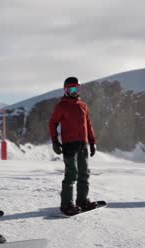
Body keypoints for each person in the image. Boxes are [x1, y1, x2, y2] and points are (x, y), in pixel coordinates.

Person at [48, 76, 98, 216]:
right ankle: (67, 204)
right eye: (71, 89)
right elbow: (53, 123)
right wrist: (55, 141)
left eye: (76, 88)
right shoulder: (61, 106)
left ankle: (82, 201)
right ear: (65, 90)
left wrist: (92, 142)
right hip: (69, 145)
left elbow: (88, 124)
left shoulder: (83, 105)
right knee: (71, 174)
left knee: (84, 174)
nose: (74, 91)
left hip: (83, 144)